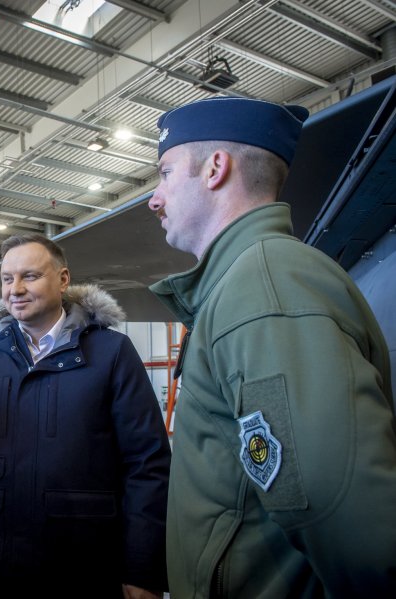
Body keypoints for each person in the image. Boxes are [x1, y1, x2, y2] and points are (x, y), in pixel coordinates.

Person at [148, 96, 396, 596]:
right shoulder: (249, 282)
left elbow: (345, 519)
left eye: (166, 173)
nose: (154, 198)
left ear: (216, 168)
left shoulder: (265, 288)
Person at [0, 233, 171, 599]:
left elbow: (147, 464)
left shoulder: (111, 354)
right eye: (6, 278)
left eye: (29, 276)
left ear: (63, 279)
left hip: (82, 566)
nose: (15, 288)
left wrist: (143, 567)